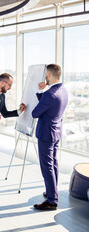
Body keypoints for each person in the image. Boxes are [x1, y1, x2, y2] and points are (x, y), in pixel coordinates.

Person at [32, 64, 68, 210]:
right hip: (56, 132)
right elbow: (50, 104)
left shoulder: (49, 94)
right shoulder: (62, 90)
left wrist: (42, 93)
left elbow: (35, 113)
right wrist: (42, 92)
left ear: (48, 74)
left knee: (47, 167)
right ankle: (51, 192)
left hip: (46, 134)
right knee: (53, 164)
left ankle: (52, 201)